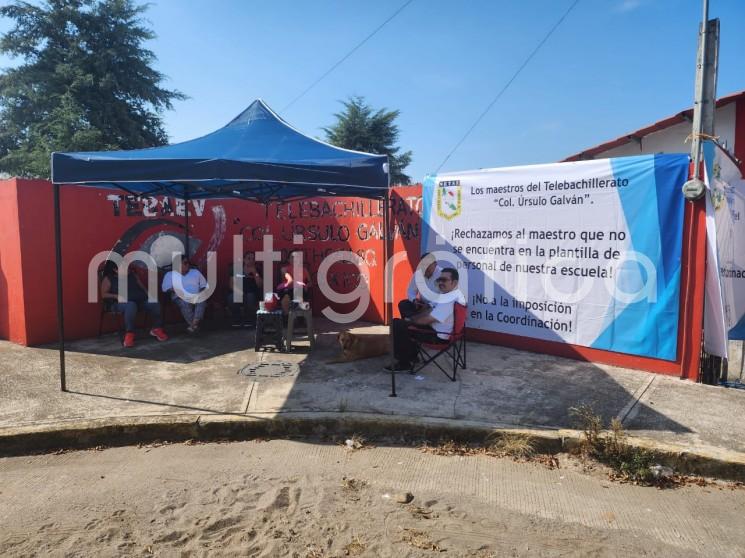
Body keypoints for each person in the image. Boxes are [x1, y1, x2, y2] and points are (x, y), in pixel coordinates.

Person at [386, 267, 464, 371]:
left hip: (438, 337)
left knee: (396, 325)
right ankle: (412, 356)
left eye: (444, 280)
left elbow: (427, 319)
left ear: (454, 282)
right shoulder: (455, 294)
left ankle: (404, 363)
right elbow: (431, 309)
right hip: (443, 331)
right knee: (404, 311)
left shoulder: (448, 300)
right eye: (439, 280)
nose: (440, 282)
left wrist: (410, 321)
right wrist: (413, 317)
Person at [100, 260, 168, 348]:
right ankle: (129, 334)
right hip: (119, 304)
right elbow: (103, 294)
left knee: (154, 303)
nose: (127, 269)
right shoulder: (109, 279)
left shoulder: (133, 275)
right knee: (131, 305)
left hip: (138, 301)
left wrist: (149, 296)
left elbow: (143, 289)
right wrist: (116, 296)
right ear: (115, 270)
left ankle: (156, 328)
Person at [162, 258, 209, 333]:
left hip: (196, 295)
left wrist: (200, 293)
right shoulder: (170, 275)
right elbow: (165, 288)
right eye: (185, 263)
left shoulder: (195, 272)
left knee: (202, 298)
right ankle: (194, 325)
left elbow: (204, 285)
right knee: (184, 303)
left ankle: (193, 325)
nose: (188, 264)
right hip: (180, 296)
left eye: (187, 263)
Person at [398, 252, 442, 318]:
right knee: (403, 304)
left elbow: (444, 297)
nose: (425, 268)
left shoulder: (443, 274)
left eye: (428, 265)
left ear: (435, 264)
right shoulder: (418, 274)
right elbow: (411, 291)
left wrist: (430, 305)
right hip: (421, 304)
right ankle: (412, 321)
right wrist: (414, 300)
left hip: (436, 306)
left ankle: (413, 320)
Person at [226, 251, 263, 328]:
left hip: (252, 293)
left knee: (250, 297)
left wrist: (255, 272)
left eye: (253, 259)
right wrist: (240, 292)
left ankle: (249, 320)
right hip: (238, 292)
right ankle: (237, 319)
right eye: (248, 258)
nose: (251, 260)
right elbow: (231, 285)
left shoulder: (257, 269)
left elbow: (259, 285)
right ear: (244, 259)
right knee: (232, 298)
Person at [276, 249, 312, 315]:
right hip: (287, 290)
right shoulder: (284, 269)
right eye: (293, 257)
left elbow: (310, 283)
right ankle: (288, 319)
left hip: (300, 291)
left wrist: (307, 285)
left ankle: (296, 318)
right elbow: (287, 282)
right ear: (289, 260)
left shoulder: (304, 270)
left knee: (299, 294)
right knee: (286, 298)